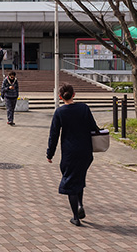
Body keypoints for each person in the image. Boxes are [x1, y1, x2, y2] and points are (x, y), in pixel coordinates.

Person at [46, 83, 102, 226]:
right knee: (78, 178)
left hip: (70, 153)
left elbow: (54, 135)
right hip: (85, 152)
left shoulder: (60, 112)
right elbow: (93, 127)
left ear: (60, 97)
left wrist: (50, 154)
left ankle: (76, 217)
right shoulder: (84, 108)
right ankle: (80, 205)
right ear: (74, 94)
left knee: (70, 182)